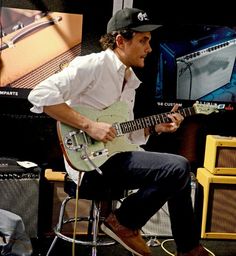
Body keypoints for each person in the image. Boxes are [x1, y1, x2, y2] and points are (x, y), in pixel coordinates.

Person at [28, 7, 211, 256]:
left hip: (114, 157)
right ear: (120, 41)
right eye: (143, 40)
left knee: (179, 176)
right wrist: (89, 125)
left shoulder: (131, 82)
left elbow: (123, 133)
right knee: (177, 166)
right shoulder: (92, 65)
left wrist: (154, 128)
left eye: (149, 41)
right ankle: (123, 222)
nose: (149, 48)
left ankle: (189, 249)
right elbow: (39, 95)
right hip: (90, 166)